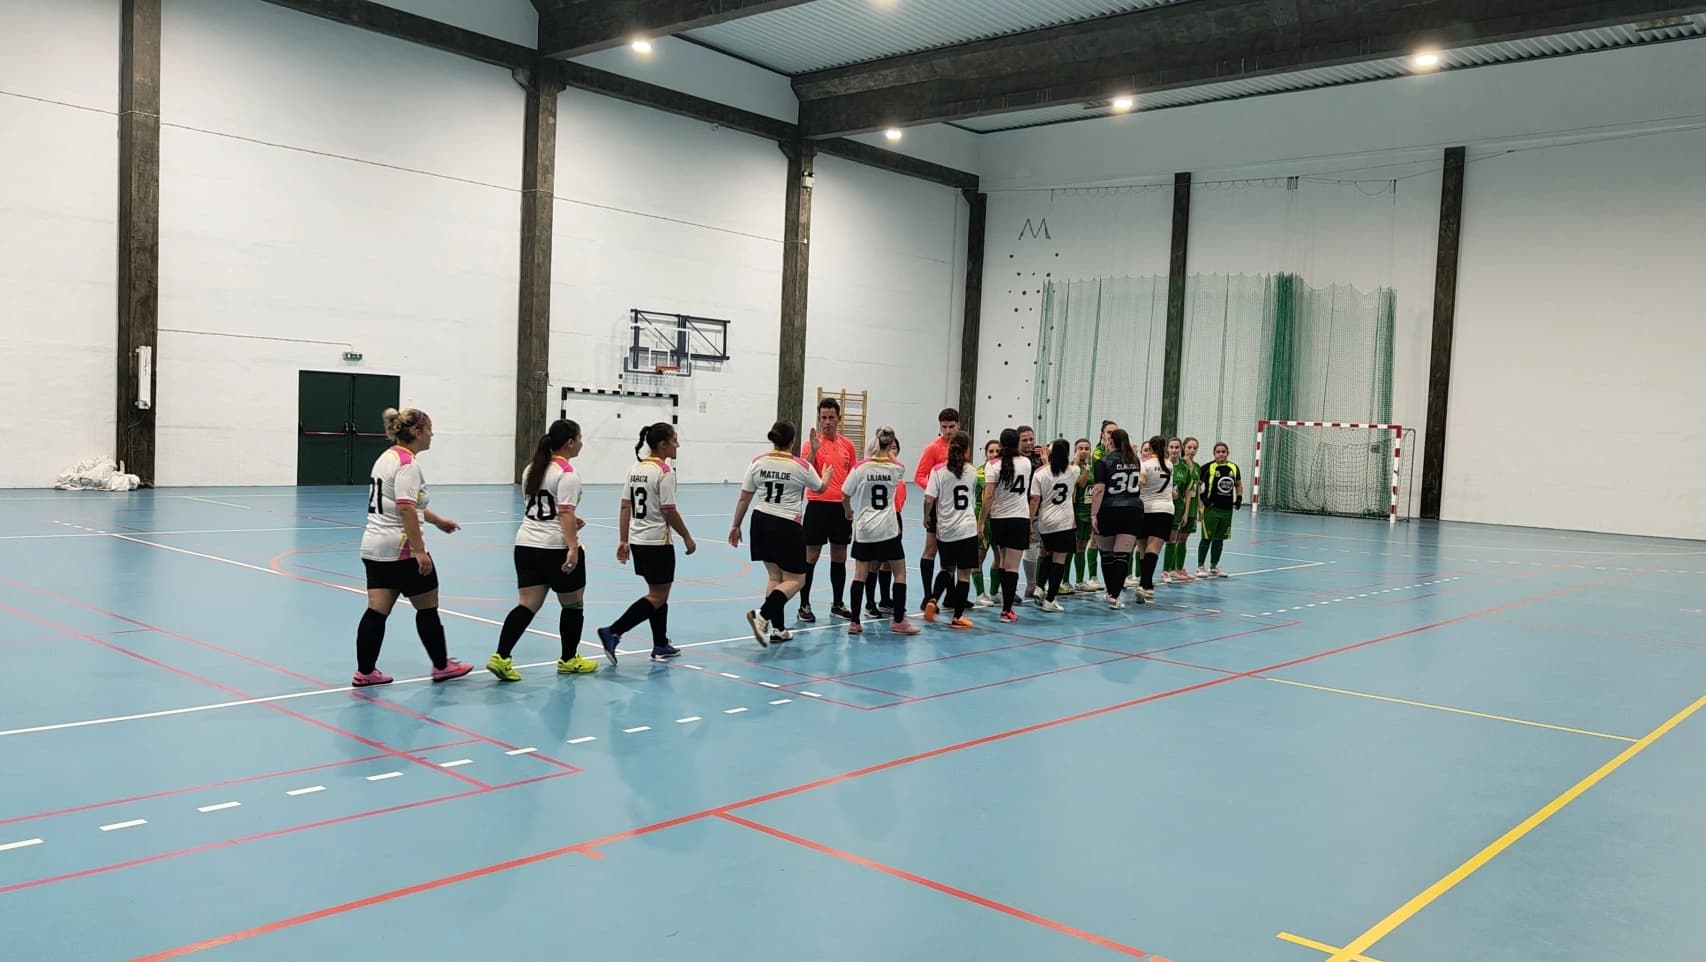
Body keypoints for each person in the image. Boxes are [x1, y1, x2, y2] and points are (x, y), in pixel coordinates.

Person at [351, 407, 472, 686]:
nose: (432, 434)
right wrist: (419, 551)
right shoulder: (408, 465)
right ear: (417, 432)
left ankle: (365, 672)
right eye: (429, 429)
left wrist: (437, 520)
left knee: (377, 609)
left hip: (374, 546)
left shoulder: (386, 458)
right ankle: (442, 666)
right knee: (427, 608)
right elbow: (406, 509)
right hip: (401, 548)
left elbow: (404, 503)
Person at [486, 419, 598, 681]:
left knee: (526, 605)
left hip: (526, 544)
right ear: (570, 442)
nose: (581, 443)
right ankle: (569, 659)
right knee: (573, 605)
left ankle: (501, 656)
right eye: (579, 438)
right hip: (554, 547)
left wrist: (566, 521)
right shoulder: (567, 473)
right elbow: (565, 513)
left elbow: (542, 508)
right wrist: (572, 547)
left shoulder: (531, 469)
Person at [597, 423, 697, 664]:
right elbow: (669, 510)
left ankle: (660, 643)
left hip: (638, 539)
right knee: (658, 595)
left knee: (658, 592)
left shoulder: (636, 468)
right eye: (674, 440)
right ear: (663, 444)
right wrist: (686, 535)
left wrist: (623, 539)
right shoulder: (664, 472)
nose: (678, 445)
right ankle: (613, 631)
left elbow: (624, 505)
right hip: (657, 542)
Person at [731, 421, 831, 647]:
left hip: (759, 521)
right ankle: (763, 615)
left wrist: (735, 525)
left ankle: (778, 629)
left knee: (775, 577)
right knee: (796, 580)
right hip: (786, 524)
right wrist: (826, 474)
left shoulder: (758, 462)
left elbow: (744, 497)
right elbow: (819, 488)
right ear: (793, 441)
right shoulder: (800, 466)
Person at [841, 427, 921, 635]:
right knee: (900, 572)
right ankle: (898, 621)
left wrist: (848, 511)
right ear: (890, 445)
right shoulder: (897, 469)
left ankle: (855, 622)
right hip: (888, 529)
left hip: (865, 528)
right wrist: (890, 453)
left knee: (860, 574)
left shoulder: (861, 467)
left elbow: (844, 494)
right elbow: (895, 461)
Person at [797, 398, 857, 623]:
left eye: (831, 417)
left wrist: (848, 506)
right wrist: (813, 451)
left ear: (839, 419)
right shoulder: (811, 444)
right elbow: (804, 472)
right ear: (819, 418)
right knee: (810, 556)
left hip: (840, 509)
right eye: (823, 417)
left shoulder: (848, 446)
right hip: (817, 507)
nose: (827, 422)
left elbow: (852, 478)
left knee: (839, 556)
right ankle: (804, 604)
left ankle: (837, 603)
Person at [921, 431, 978, 628]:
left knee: (947, 569)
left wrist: (926, 516)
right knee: (964, 575)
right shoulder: (971, 471)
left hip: (946, 530)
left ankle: (933, 598)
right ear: (967, 451)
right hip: (967, 529)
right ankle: (958, 616)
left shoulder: (938, 471)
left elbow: (928, 499)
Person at [978, 428, 1033, 622]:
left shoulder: (992, 465)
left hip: (999, 519)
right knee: (1012, 567)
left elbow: (988, 496)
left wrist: (981, 521)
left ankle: (1004, 605)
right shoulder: (1026, 463)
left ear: (1000, 445)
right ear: (1017, 443)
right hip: (1019, 518)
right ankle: (1006, 609)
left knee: (1002, 561)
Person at [1089, 428, 1144, 608]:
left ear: (1110, 442)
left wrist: (1093, 513)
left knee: (1106, 552)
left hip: (1109, 508)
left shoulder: (1103, 462)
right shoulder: (1135, 460)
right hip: (1132, 509)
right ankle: (1114, 596)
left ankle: (1110, 591)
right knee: (1122, 554)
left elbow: (1098, 490)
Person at [913, 408, 960, 610]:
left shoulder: (962, 448)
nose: (948, 431)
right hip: (936, 506)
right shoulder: (932, 448)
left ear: (958, 425)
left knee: (951, 554)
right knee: (931, 549)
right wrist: (937, 489)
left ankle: (950, 596)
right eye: (944, 427)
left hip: (956, 508)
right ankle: (927, 596)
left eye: (951, 427)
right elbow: (919, 476)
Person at [1029, 438, 1080, 612]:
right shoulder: (1073, 471)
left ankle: (1039, 586)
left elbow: (1035, 499)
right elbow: (1074, 466)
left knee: (1045, 553)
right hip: (1064, 522)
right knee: (1059, 560)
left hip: (1045, 521)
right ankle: (1050, 600)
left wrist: (1029, 521)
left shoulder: (1040, 473)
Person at [1133, 435, 1174, 601]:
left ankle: (1145, 584)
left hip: (1144, 509)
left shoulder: (1145, 465)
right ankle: (1146, 586)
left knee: (1143, 549)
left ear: (1150, 448)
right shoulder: (1169, 465)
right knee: (1153, 549)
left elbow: (1139, 486)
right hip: (1164, 510)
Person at [1197, 442, 1243, 578]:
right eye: (1218, 452)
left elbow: (1239, 485)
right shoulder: (1207, 467)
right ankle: (1200, 566)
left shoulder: (1234, 467)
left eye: (1223, 451)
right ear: (1214, 453)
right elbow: (1197, 485)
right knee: (1206, 538)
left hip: (1227, 510)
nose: (1221, 454)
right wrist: (1202, 500)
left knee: (1219, 539)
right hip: (1211, 510)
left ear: (1228, 453)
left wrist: (1239, 498)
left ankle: (1213, 566)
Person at [1166, 437, 1200, 582]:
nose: (1191, 451)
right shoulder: (1171, 465)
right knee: (1174, 538)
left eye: (1194, 448)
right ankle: (1171, 568)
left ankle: (1178, 568)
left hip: (1189, 506)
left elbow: (1196, 489)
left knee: (1183, 538)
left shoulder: (1196, 467)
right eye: (1189, 447)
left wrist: (1200, 507)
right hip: (1172, 506)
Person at [973, 438, 1001, 606]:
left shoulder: (1003, 469)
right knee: (979, 556)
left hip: (999, 518)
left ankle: (994, 592)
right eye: (991, 451)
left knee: (1000, 556)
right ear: (985, 454)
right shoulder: (982, 471)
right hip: (983, 518)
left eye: (997, 451)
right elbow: (988, 492)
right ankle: (980, 594)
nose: (994, 454)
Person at [1070, 438, 1100, 591]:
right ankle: (1064, 581)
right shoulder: (1072, 468)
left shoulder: (1093, 469)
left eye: (1086, 448)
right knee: (1072, 548)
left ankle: (1080, 581)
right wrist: (1087, 467)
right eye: (1080, 448)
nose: (1084, 451)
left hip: (1088, 514)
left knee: (1082, 546)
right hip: (1076, 514)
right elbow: (1080, 483)